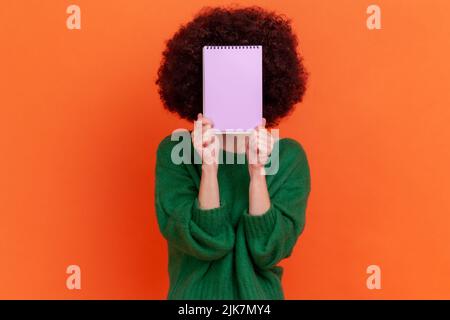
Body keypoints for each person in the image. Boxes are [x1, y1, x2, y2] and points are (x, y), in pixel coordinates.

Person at [155, 6, 310, 299]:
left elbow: (267, 250)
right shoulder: (175, 153)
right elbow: (207, 242)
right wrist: (209, 169)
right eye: (222, 79)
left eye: (244, 80)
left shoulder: (288, 157)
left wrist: (257, 174)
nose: (233, 89)